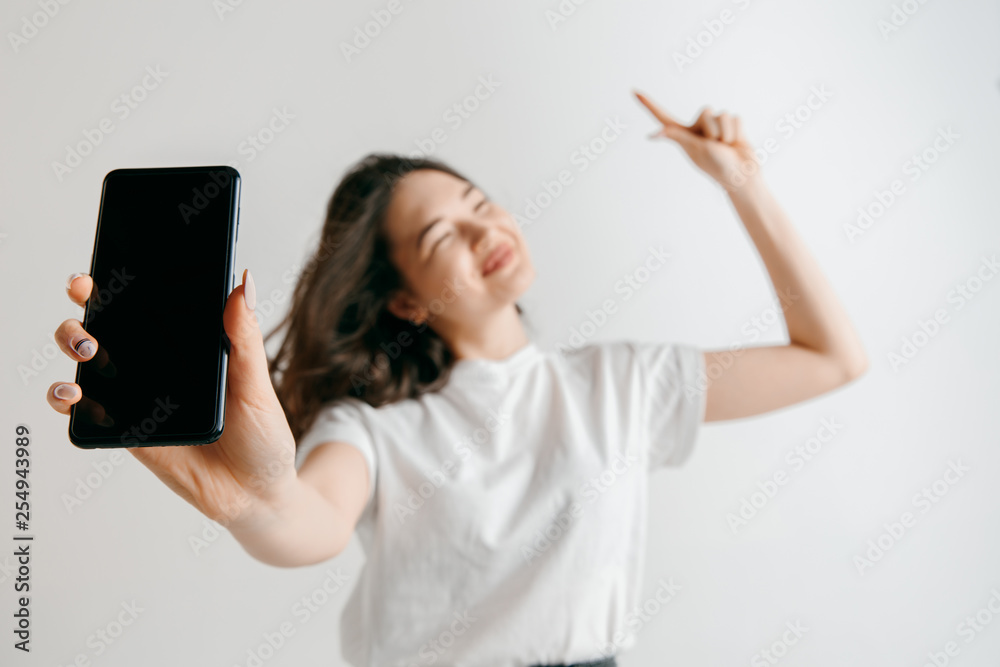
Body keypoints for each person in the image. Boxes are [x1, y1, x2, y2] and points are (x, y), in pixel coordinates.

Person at [47, 92, 868, 667]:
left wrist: (742, 181)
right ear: (405, 296)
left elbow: (833, 358)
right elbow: (311, 521)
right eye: (443, 234)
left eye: (481, 203)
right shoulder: (375, 428)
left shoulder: (622, 384)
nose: (485, 227)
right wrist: (255, 503)